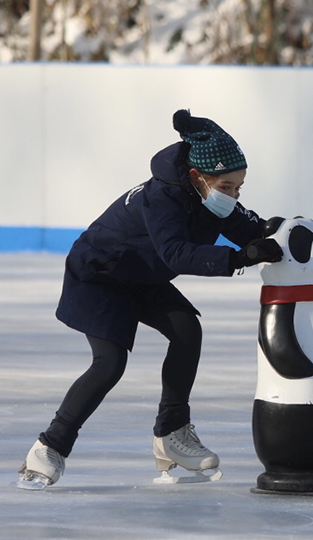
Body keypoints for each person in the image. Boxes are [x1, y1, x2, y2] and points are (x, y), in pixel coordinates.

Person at [17, 110, 284, 488]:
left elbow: (255, 230)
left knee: (187, 330)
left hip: (142, 275)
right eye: (227, 187)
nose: (234, 195)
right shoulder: (162, 198)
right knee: (109, 363)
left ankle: (171, 434)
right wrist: (239, 258)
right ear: (197, 178)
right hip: (100, 274)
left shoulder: (212, 199)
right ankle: (48, 447)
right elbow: (175, 252)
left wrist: (305, 237)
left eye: (239, 187)